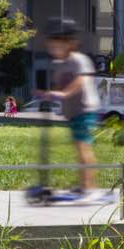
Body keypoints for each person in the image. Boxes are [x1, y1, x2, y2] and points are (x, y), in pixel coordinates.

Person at [43, 24, 104, 201]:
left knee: (84, 147)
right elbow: (58, 85)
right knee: (79, 149)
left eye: (57, 46)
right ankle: (83, 185)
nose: (54, 50)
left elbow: (80, 80)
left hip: (85, 109)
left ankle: (91, 188)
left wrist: (63, 94)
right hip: (73, 113)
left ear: (69, 44)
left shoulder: (79, 60)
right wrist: (48, 94)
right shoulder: (60, 65)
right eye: (51, 47)